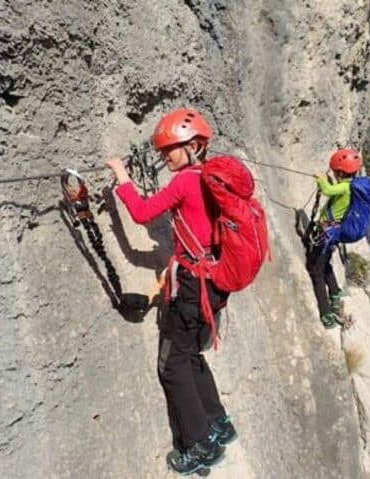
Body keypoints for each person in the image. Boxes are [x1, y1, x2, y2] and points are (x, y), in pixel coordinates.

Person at [106, 108, 237, 475]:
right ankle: (218, 422)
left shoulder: (185, 181)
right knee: (192, 352)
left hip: (193, 287)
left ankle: (199, 446)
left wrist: (121, 177)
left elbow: (144, 213)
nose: (165, 158)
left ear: (194, 146)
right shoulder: (215, 178)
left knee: (172, 365)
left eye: (170, 150)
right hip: (214, 280)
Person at [306, 148, 363, 329]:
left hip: (327, 232)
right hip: (335, 233)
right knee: (326, 262)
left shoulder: (344, 187)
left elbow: (328, 190)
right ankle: (336, 292)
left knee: (316, 271)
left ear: (340, 172)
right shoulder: (353, 186)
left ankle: (326, 313)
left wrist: (320, 178)